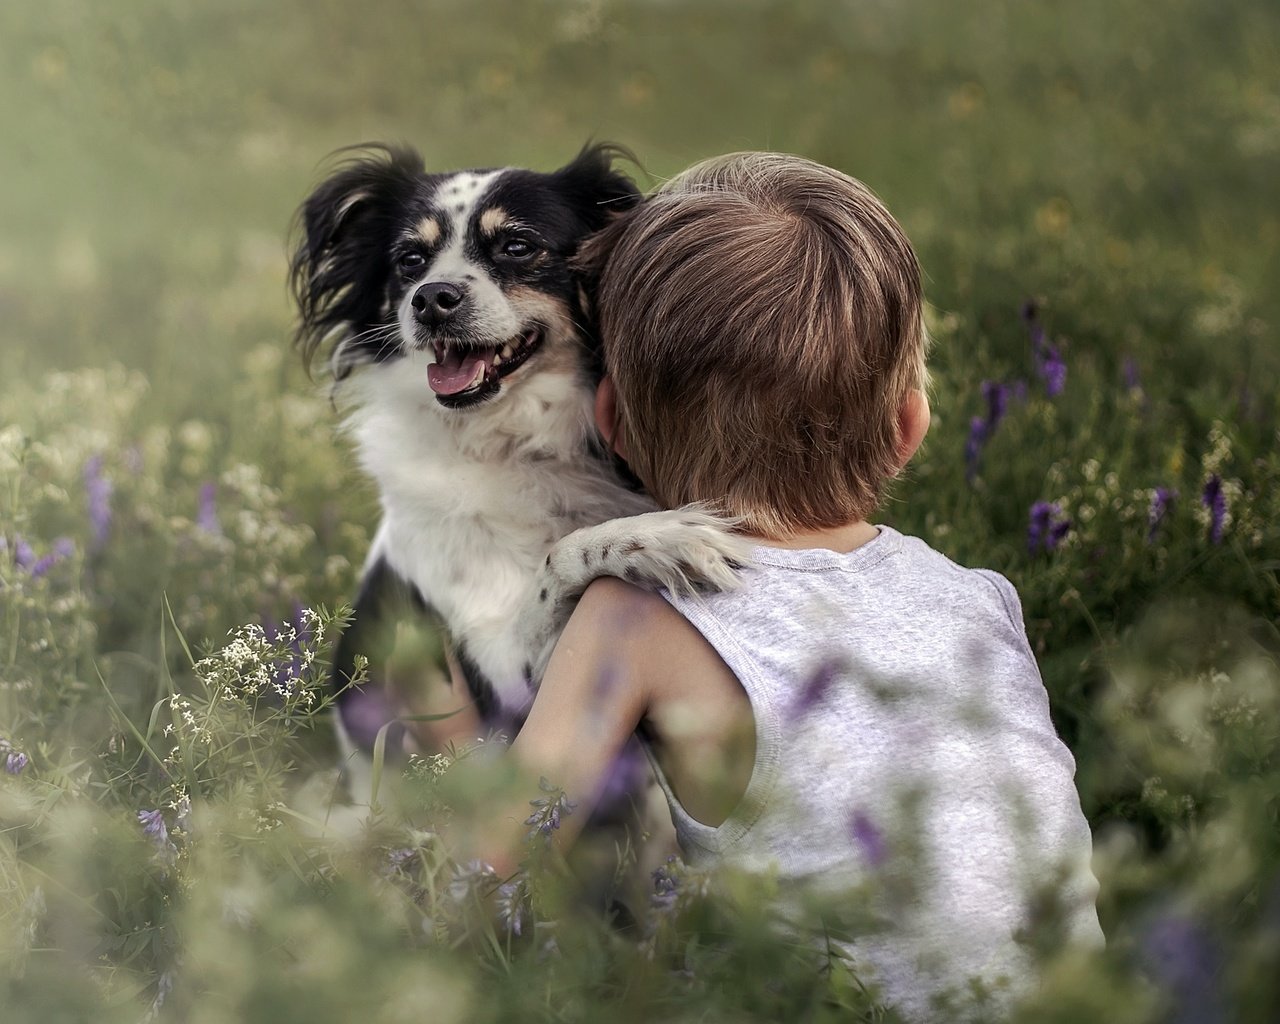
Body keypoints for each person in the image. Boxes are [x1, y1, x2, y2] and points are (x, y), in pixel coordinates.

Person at [476, 152, 1103, 1019]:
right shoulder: (981, 599)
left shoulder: (632, 621)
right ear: (909, 427)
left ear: (610, 422)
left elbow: (485, 867)